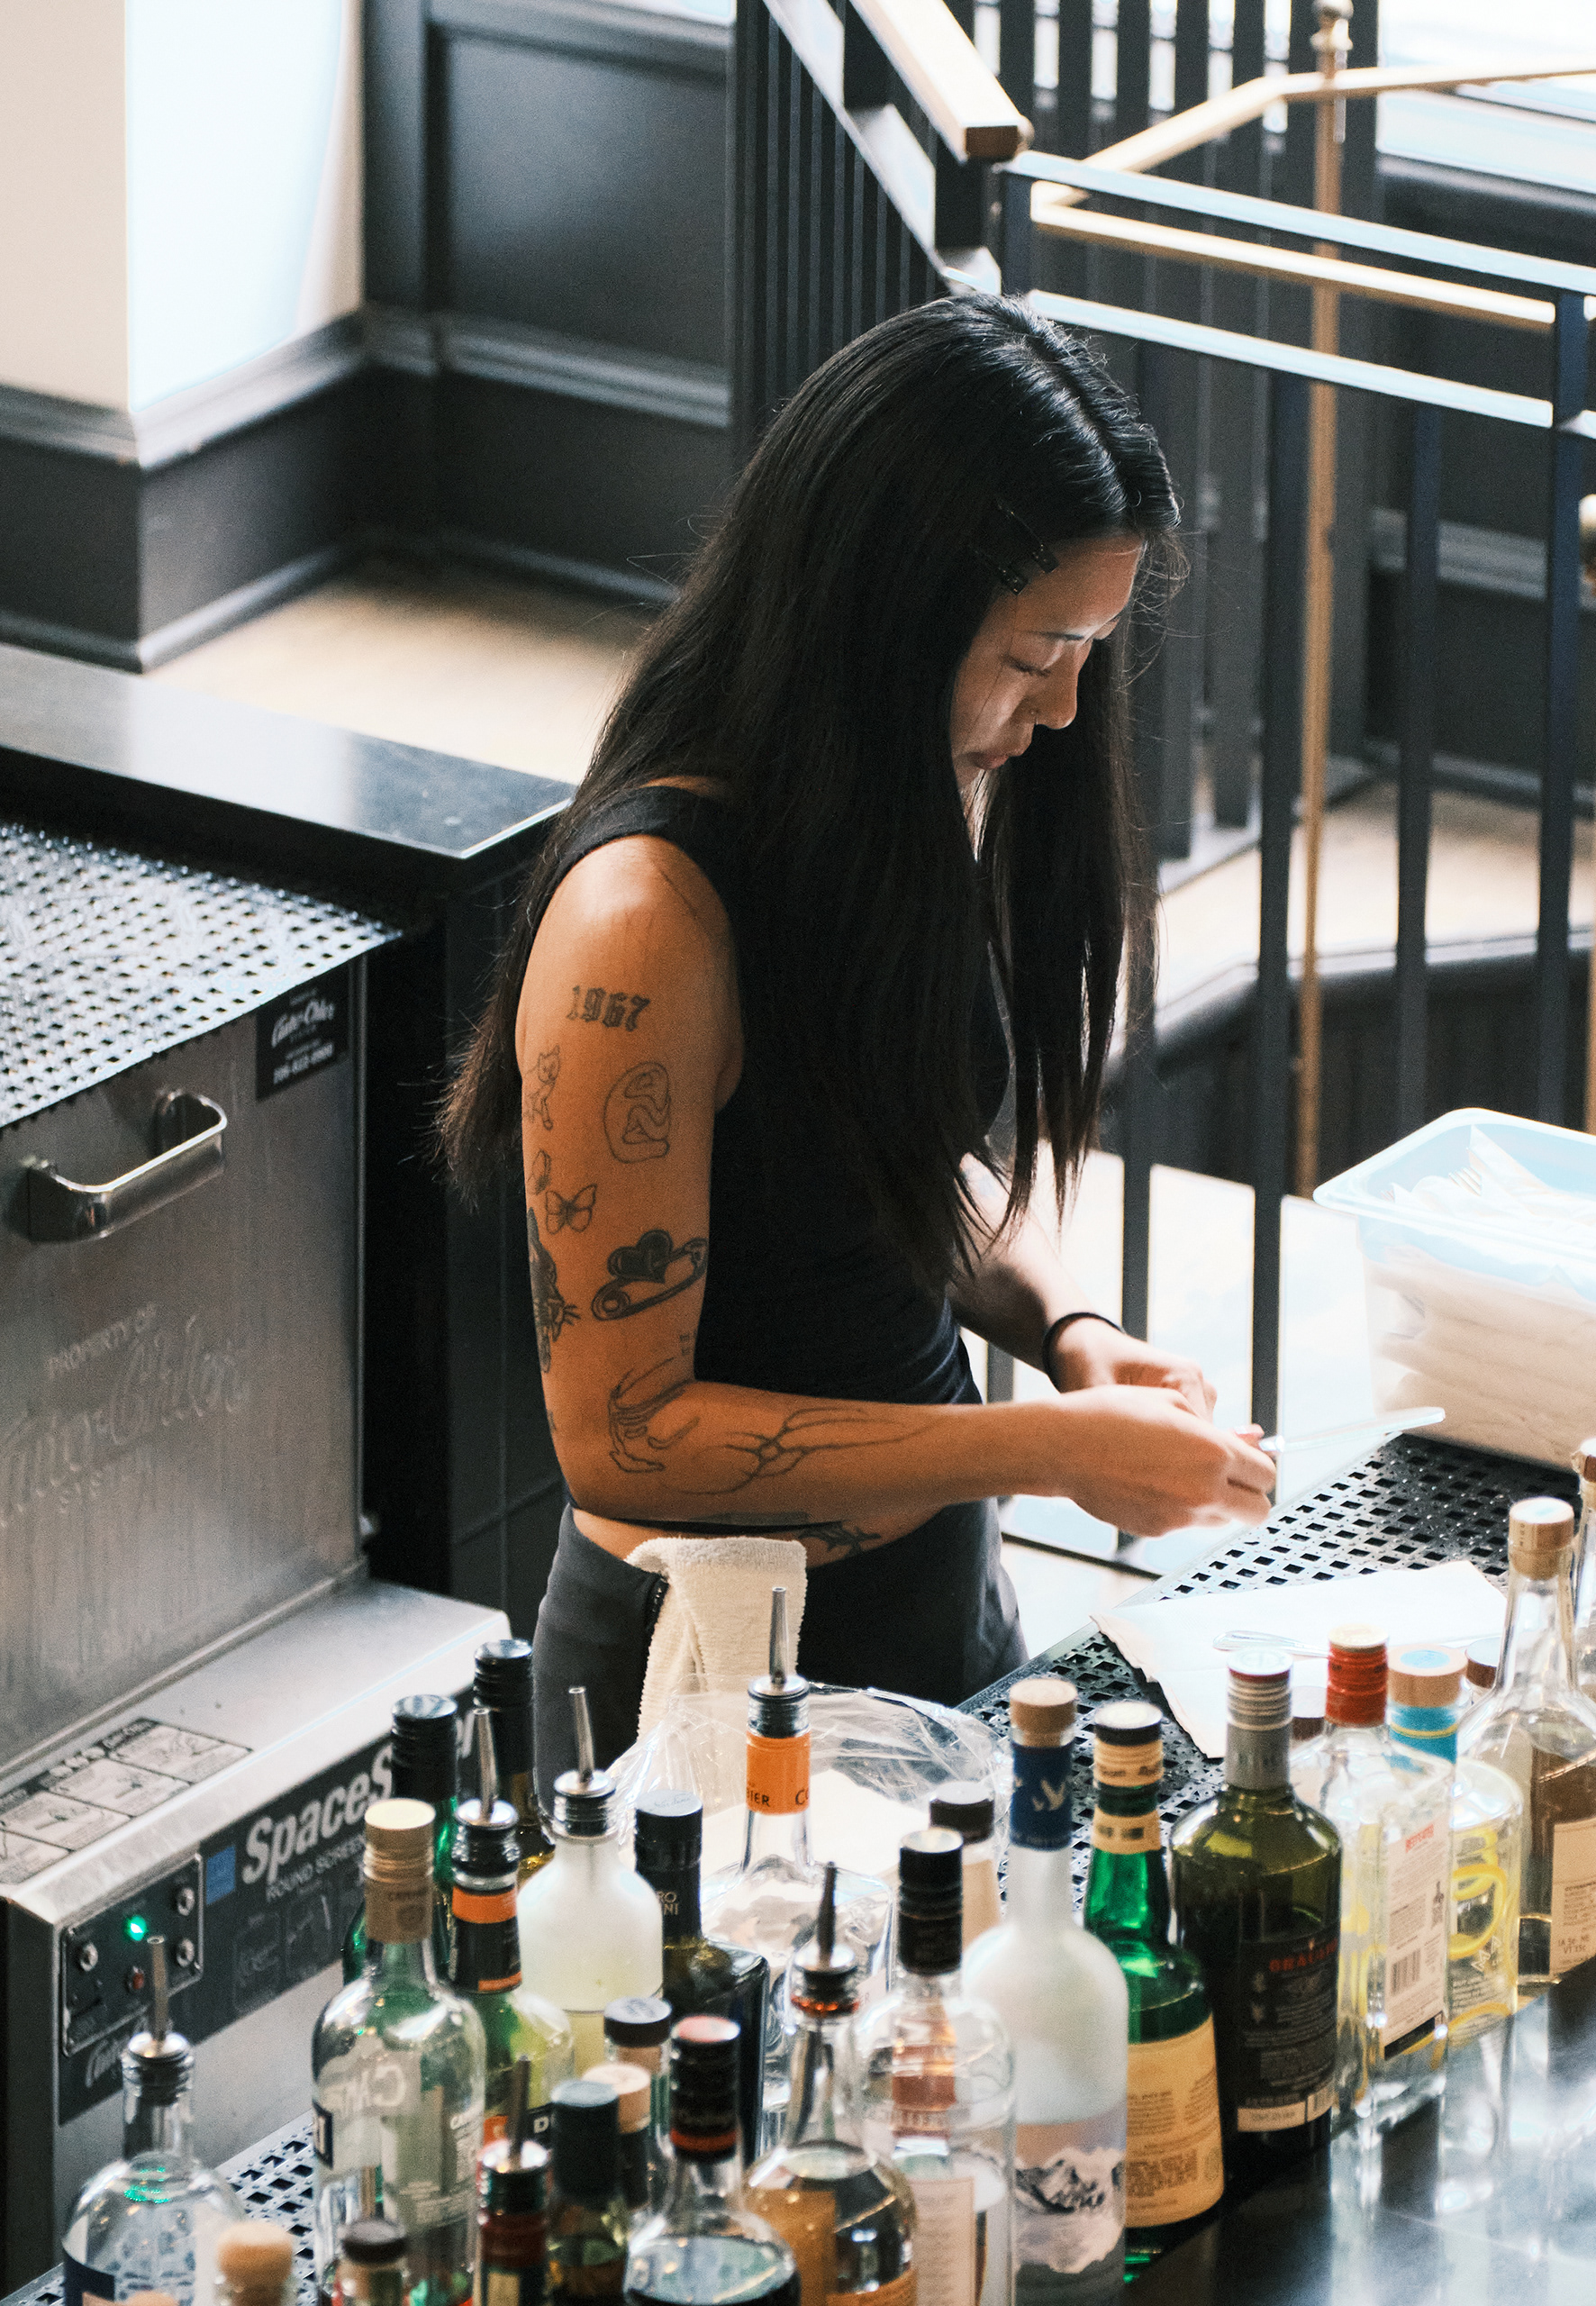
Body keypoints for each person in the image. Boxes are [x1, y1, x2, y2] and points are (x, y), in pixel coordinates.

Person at [440, 294, 1276, 1776]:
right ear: (886, 619)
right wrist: (1051, 1450)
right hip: (708, 1671)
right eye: (1037, 652)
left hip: (935, 1615)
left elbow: (889, 1162)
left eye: (1089, 649)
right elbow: (624, 1434)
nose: (1066, 708)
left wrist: (1071, 1335)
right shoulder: (644, 925)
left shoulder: (908, 790)